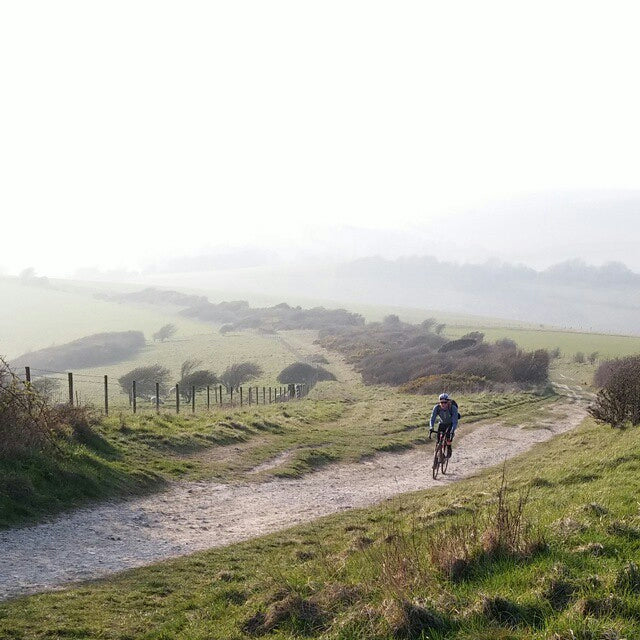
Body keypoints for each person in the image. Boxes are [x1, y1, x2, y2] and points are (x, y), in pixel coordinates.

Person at [429, 392, 458, 458]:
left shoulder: (453, 408)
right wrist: (431, 427)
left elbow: (455, 421)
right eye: (441, 402)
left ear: (448, 402)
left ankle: (449, 448)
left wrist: (452, 431)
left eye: (445, 402)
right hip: (442, 423)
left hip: (450, 424)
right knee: (438, 439)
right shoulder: (437, 408)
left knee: (448, 437)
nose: (443, 404)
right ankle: (437, 453)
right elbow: (432, 418)